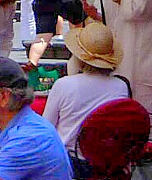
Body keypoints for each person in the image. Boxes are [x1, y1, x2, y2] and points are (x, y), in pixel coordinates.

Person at [41, 20, 130, 162]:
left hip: (69, 163)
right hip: (107, 163)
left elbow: (46, 130)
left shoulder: (64, 85)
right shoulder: (121, 86)